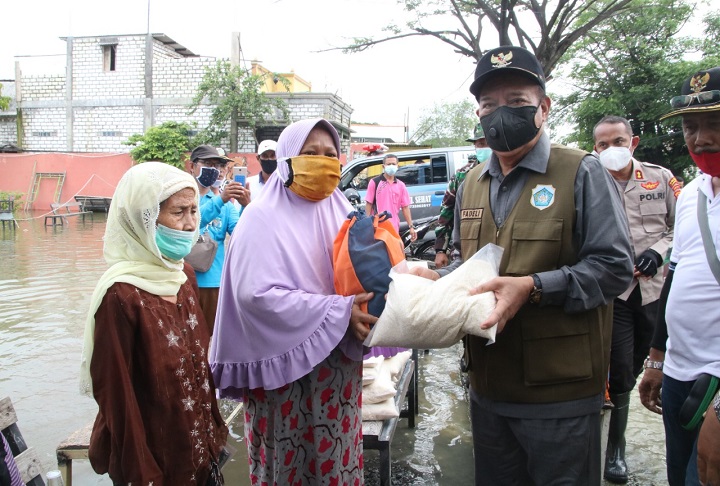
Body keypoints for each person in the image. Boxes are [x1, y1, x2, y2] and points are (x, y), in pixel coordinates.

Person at [411, 45, 633, 485]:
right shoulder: (472, 183)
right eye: (488, 104)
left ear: (543, 108)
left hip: (559, 392)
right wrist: (435, 277)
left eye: (516, 102)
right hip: (489, 387)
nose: (500, 114)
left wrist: (534, 286)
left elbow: (614, 268)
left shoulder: (581, 172)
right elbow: (470, 265)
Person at [209, 119, 378, 484]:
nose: (322, 162)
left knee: (338, 460)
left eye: (330, 154)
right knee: (288, 465)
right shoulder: (260, 217)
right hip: (284, 373)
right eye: (310, 152)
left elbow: (363, 272)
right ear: (285, 160)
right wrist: (338, 311)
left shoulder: (342, 212)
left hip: (337, 370)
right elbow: (254, 296)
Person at [79, 162, 228, 485]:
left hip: (200, 452)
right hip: (157, 462)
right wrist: (144, 474)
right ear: (143, 219)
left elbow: (198, 368)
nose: (190, 223)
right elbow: (117, 398)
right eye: (178, 212)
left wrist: (214, 433)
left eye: (193, 210)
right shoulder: (120, 296)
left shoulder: (183, 276)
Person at [638, 66, 720, 486]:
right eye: (690, 127)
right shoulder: (690, 195)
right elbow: (675, 276)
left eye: (714, 124)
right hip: (679, 373)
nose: (700, 138)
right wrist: (657, 359)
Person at [592, 115, 678, 483]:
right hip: (616, 294)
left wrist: (659, 251)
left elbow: (680, 227)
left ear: (634, 142)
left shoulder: (661, 178)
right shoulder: (590, 182)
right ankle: (616, 449)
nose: (611, 149)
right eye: (603, 144)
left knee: (644, 360)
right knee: (622, 368)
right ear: (595, 148)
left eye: (618, 141)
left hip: (656, 291)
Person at [189, 144, 250, 334]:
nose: (214, 169)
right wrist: (221, 199)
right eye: (207, 164)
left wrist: (247, 207)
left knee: (210, 337)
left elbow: (241, 236)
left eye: (217, 165)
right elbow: (194, 222)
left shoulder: (227, 206)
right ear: (192, 166)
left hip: (214, 283)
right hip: (183, 279)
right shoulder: (183, 197)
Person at [434, 123, 492, 269]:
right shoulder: (462, 175)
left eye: (488, 143)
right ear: (475, 146)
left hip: (495, 249)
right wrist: (441, 250)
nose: (484, 147)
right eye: (480, 144)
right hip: (465, 250)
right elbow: (446, 211)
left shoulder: (508, 172)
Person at [365, 153, 417, 241]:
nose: (391, 166)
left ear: (397, 166)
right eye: (388, 164)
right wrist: (366, 224)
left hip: (394, 227)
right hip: (378, 226)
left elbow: (405, 207)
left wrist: (411, 227)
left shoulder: (401, 185)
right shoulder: (374, 182)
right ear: (383, 166)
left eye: (393, 164)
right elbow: (368, 204)